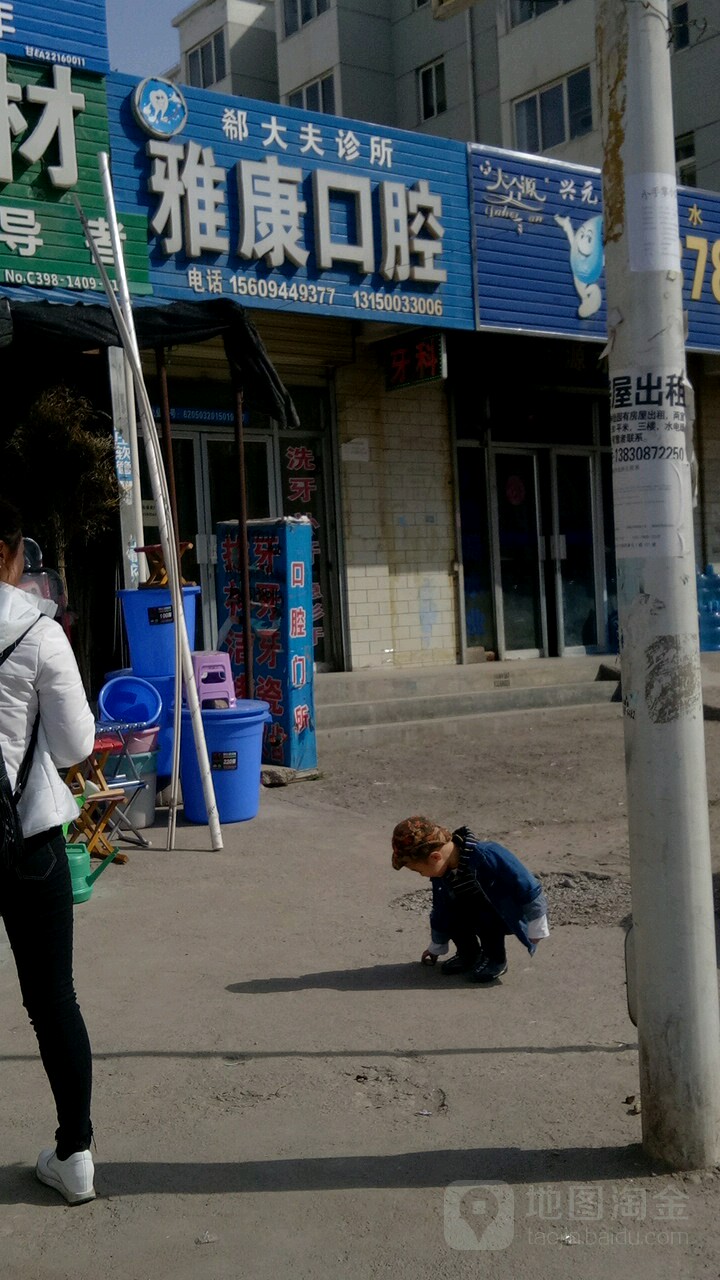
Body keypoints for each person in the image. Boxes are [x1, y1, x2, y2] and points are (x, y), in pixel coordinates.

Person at [0, 498, 97, 1203]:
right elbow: (77, 747)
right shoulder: (40, 630)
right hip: (28, 839)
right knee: (53, 999)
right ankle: (76, 1157)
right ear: (12, 553)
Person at [391, 816, 549, 983]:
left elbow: (527, 886)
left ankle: (495, 959)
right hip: (470, 910)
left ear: (435, 857)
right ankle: (469, 953)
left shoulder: (488, 855)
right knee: (450, 913)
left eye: (419, 870)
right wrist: (437, 945)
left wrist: (537, 924)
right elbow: (439, 909)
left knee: (485, 916)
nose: (422, 875)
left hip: (500, 912)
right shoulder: (442, 873)